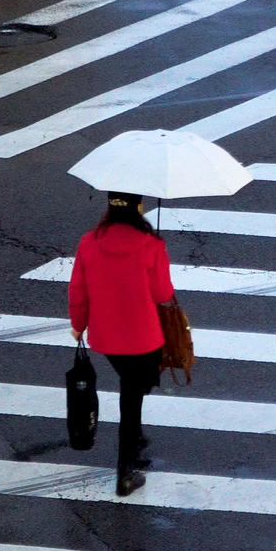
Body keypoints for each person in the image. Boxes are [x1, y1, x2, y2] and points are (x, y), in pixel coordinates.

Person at [68, 192, 177, 496]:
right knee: (131, 401)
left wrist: (78, 325)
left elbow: (78, 290)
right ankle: (125, 472)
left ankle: (138, 440)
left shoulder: (89, 242)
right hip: (144, 339)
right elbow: (162, 294)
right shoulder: (152, 245)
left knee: (132, 387)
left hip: (107, 337)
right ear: (138, 208)